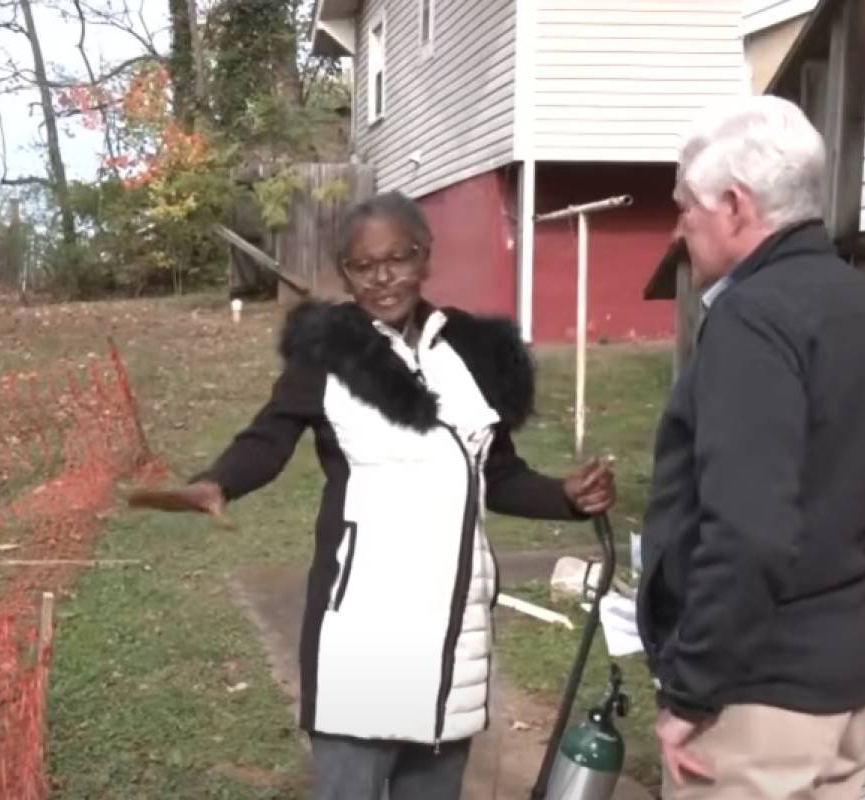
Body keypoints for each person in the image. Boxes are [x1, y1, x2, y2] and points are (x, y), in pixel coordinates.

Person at [129, 191, 616, 799]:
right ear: (345, 273)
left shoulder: (469, 352)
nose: (383, 278)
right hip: (362, 634)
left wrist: (565, 495)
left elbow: (496, 474)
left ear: (424, 256)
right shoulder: (328, 356)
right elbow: (269, 436)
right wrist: (217, 481)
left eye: (398, 258)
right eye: (364, 266)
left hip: (454, 635)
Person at [636, 95, 865, 800]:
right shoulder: (863, 304)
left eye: (686, 207)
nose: (679, 229)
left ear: (734, 206)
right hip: (844, 690)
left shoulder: (753, 319)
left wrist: (691, 693)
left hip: (754, 700)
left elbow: (748, 530)